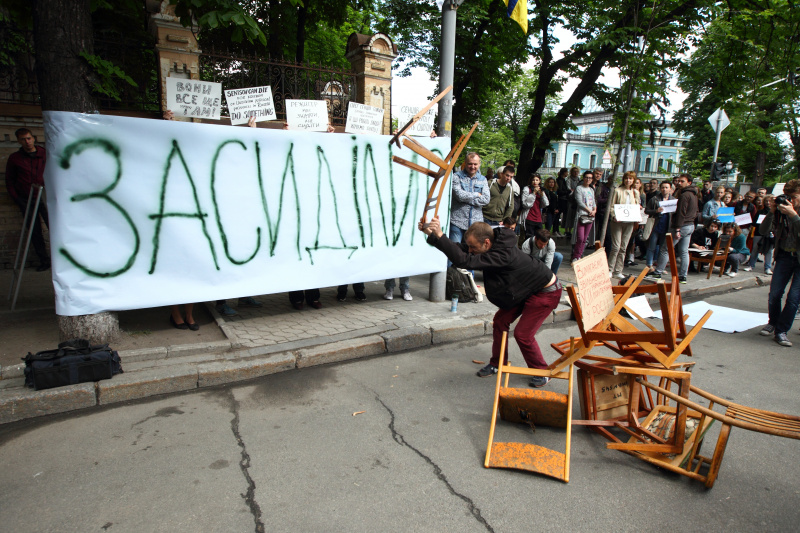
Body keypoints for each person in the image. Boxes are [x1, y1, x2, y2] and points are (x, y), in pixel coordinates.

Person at [419, 217, 560, 387]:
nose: (470, 250)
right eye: (470, 246)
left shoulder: (502, 255)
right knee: (500, 321)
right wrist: (433, 235)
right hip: (526, 289)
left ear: (486, 242)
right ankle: (497, 363)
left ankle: (542, 371)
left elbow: (465, 260)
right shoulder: (492, 243)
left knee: (523, 334)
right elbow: (461, 250)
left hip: (546, 291)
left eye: (473, 247)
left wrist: (441, 234)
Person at [759, 181, 800, 347]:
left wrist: (793, 215)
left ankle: (781, 331)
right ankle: (773, 322)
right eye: (788, 196)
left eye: (794, 197)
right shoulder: (781, 211)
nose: (791, 200)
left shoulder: (791, 212)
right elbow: (763, 231)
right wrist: (772, 212)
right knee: (775, 294)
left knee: (794, 298)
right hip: (784, 256)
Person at [5, 127, 50, 271]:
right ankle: (44, 261)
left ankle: (60, 259)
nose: (27, 142)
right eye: (23, 139)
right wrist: (17, 199)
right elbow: (9, 180)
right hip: (26, 198)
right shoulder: (15, 158)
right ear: (19, 141)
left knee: (54, 228)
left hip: (45, 197)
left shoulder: (44, 154)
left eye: (29, 138)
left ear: (34, 138)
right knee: (34, 231)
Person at [650, 173, 699, 284]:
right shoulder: (694, 194)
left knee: (666, 248)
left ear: (689, 183)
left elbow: (681, 213)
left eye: (682, 181)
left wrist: (677, 229)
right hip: (690, 225)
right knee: (684, 251)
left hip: (682, 226)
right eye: (679, 181)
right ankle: (683, 276)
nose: (679, 183)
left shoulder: (685, 195)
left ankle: (658, 272)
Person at [449, 153, 489, 244]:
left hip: (475, 225)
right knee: (454, 250)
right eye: (470, 164)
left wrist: (466, 199)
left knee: (472, 250)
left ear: (479, 164)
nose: (472, 167)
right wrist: (476, 194)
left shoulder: (483, 179)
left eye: (475, 164)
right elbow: (460, 196)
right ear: (465, 163)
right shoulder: (456, 177)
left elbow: (486, 199)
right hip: (457, 222)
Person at [608, 171, 639, 279]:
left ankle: (618, 270)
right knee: (616, 247)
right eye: (626, 178)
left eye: (630, 179)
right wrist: (614, 215)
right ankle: (610, 269)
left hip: (629, 222)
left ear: (633, 180)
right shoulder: (617, 190)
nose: (628, 180)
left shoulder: (635, 192)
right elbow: (612, 206)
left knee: (623, 247)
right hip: (617, 222)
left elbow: (637, 206)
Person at [644, 181, 673, 271]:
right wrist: (656, 211)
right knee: (652, 246)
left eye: (666, 187)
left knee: (662, 248)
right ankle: (649, 265)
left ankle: (660, 267)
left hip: (667, 226)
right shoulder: (655, 199)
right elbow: (646, 210)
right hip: (656, 225)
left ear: (670, 189)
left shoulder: (673, 200)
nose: (664, 189)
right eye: (663, 187)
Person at [744, 195, 773, 274]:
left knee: (769, 251)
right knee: (755, 249)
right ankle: (751, 265)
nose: (768, 203)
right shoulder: (760, 212)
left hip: (770, 234)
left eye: (770, 201)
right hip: (758, 233)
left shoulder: (776, 212)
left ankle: (767, 267)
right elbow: (754, 223)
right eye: (766, 201)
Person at [571, 170, 596, 262]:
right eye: (586, 177)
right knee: (580, 238)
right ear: (583, 178)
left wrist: (594, 210)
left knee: (585, 238)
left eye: (590, 178)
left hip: (590, 217)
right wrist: (589, 210)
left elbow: (594, 202)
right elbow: (579, 202)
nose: (588, 179)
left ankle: (580, 256)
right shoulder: (579, 188)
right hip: (582, 216)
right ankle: (575, 256)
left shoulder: (591, 189)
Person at [520, 173, 548, 237]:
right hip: (529, 217)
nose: (535, 182)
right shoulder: (527, 189)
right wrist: (534, 193)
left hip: (538, 218)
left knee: (539, 237)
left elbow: (546, 204)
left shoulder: (540, 190)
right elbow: (525, 204)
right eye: (533, 180)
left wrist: (542, 195)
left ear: (539, 181)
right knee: (529, 237)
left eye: (537, 180)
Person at [564, 166, 581, 239]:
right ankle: (566, 230)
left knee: (573, 216)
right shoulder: (569, 179)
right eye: (574, 171)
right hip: (570, 199)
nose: (576, 173)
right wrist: (573, 191)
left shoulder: (579, 180)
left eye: (577, 171)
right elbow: (569, 189)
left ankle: (571, 230)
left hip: (576, 200)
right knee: (568, 215)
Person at [555, 168, 571, 237]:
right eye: (567, 172)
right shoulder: (560, 180)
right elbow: (560, 191)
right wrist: (568, 191)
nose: (567, 173)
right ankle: (556, 230)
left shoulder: (563, 180)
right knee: (558, 215)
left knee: (559, 215)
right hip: (562, 199)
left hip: (563, 199)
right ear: (564, 173)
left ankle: (557, 230)